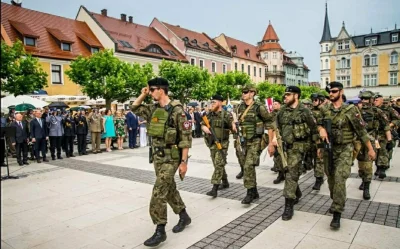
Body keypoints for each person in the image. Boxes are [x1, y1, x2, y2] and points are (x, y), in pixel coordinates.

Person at [131, 77, 192, 247]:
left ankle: (160, 230)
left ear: (161, 90)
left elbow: (186, 140)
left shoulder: (177, 111)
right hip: (157, 157)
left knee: (158, 191)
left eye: (151, 90)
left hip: (172, 158)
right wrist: (142, 94)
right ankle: (184, 216)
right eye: (148, 90)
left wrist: (184, 162)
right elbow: (133, 108)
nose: (149, 92)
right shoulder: (152, 109)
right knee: (169, 188)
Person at [318, 82, 376, 229]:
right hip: (329, 149)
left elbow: (361, 131)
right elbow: (317, 124)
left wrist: (370, 149)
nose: (331, 94)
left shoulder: (351, 110)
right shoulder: (325, 109)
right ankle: (336, 200)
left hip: (345, 149)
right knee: (331, 179)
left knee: (339, 179)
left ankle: (337, 213)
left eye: (334, 91)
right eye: (329, 91)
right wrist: (321, 129)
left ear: (341, 92)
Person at [277, 86, 317, 221]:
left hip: (298, 147)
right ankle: (297, 193)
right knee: (288, 172)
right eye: (285, 95)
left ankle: (289, 205)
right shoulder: (282, 111)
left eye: (288, 94)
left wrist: (315, 151)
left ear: (296, 96)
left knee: (290, 174)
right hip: (284, 148)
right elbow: (275, 126)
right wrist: (272, 141)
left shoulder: (304, 111)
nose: (285, 97)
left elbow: (314, 130)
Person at [236, 84, 275, 204]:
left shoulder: (259, 107)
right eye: (242, 92)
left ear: (252, 93)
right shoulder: (240, 107)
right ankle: (254, 191)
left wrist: (270, 143)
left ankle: (249, 193)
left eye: (246, 92)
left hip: (256, 140)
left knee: (248, 165)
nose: (243, 94)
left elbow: (270, 123)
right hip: (244, 141)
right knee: (246, 165)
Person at [201, 95, 236, 197]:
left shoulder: (226, 115)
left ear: (220, 103)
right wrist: (204, 128)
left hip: (222, 143)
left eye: (214, 102)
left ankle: (214, 188)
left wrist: (234, 126)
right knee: (217, 164)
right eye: (211, 102)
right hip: (212, 143)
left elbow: (233, 128)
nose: (212, 104)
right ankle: (225, 182)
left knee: (219, 164)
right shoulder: (209, 115)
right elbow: (202, 123)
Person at [356, 91, 390, 196]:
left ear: (371, 100)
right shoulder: (356, 111)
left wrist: (389, 140)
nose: (364, 101)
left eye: (366, 99)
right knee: (361, 164)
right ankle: (363, 179)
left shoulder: (377, 111)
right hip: (358, 141)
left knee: (368, 164)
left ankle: (367, 187)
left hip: (371, 140)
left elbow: (386, 125)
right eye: (362, 99)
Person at [374, 95, 399, 175]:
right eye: (374, 100)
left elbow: (397, 119)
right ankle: (379, 166)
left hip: (386, 133)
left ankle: (382, 168)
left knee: (384, 150)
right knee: (377, 151)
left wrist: (391, 125)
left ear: (381, 100)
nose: (374, 101)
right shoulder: (373, 109)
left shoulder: (389, 109)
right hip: (377, 134)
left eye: (376, 100)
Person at [310, 93, 326, 190]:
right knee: (313, 159)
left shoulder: (325, 111)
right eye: (312, 100)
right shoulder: (310, 111)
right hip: (311, 138)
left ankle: (319, 179)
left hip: (320, 139)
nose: (313, 102)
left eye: (315, 100)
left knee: (319, 159)